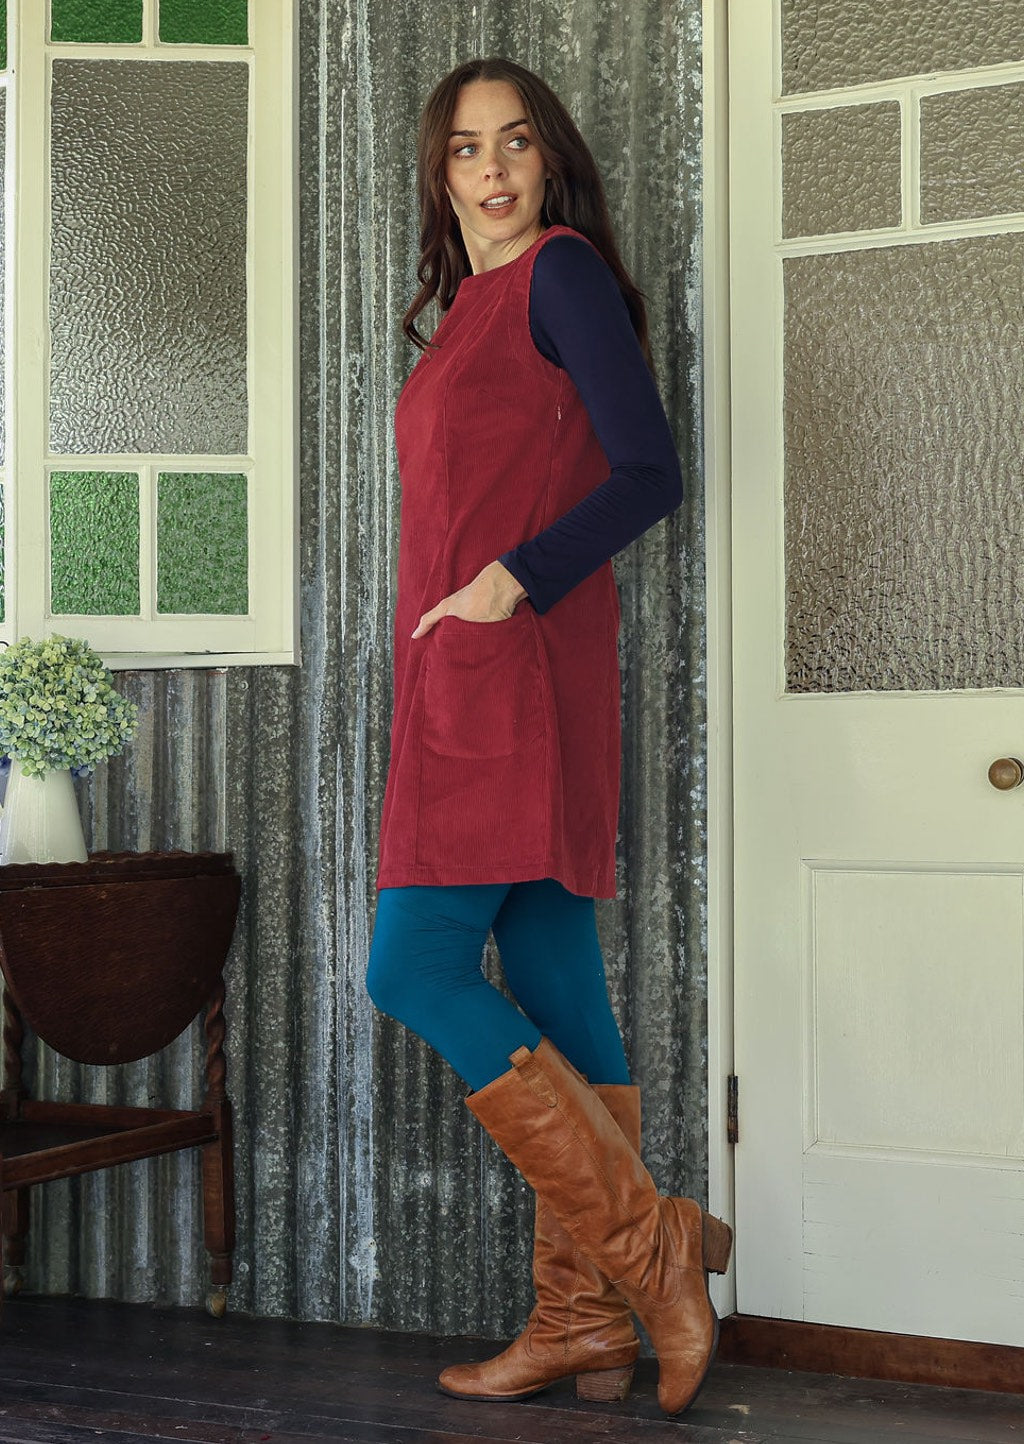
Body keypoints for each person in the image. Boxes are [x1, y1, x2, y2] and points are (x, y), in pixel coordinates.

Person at [365, 56, 731, 1417]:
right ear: (440, 173)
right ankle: (583, 1321)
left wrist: (510, 582)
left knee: (410, 967)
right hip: (467, 678)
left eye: (518, 142)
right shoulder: (467, 311)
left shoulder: (562, 272)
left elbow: (652, 470)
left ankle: (654, 1256)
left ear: (549, 158)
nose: (497, 168)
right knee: (558, 983)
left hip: (515, 671)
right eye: (468, 149)